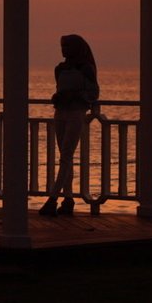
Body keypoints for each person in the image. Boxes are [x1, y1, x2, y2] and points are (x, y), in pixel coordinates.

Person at [39, 34, 99, 216]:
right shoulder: (60, 69)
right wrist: (58, 97)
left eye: (67, 46)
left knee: (65, 157)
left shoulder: (86, 68)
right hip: (61, 113)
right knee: (66, 157)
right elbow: (60, 89)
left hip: (76, 114)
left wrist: (76, 96)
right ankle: (69, 200)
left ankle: (53, 198)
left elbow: (94, 92)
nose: (63, 50)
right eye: (62, 46)